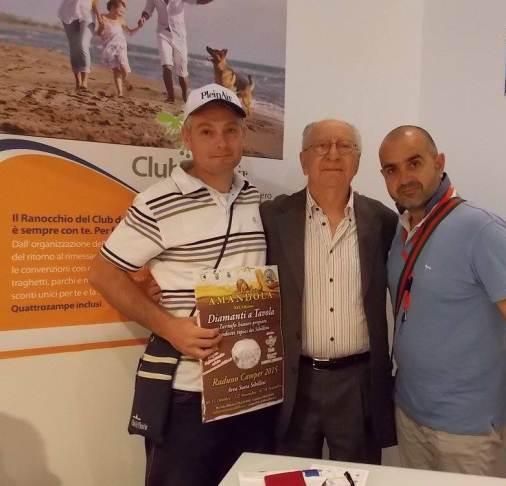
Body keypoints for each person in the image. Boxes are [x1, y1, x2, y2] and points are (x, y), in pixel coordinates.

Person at [88, 83, 273, 486]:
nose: (221, 142)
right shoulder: (157, 202)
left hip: (252, 389)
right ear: (187, 137)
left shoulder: (258, 200)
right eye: (206, 131)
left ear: (243, 135)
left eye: (230, 130)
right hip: (189, 393)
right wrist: (168, 326)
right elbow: (102, 272)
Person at [378, 126, 506, 482]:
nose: (404, 178)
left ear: (439, 163)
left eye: (414, 163)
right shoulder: (401, 232)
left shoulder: (482, 229)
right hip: (410, 414)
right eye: (392, 170)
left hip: (471, 429)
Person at [260, 119, 398, 464]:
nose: (333, 154)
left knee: (358, 476)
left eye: (345, 146)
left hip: (359, 383)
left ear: (358, 161)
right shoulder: (271, 217)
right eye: (321, 145)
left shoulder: (383, 221)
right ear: (303, 160)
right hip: (294, 381)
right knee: (289, 475)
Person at [139, 0, 213, 103]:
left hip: (179, 36)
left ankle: (185, 96)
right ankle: (171, 97)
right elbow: (148, 9)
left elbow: (199, 1)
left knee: (182, 71)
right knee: (166, 65)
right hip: (163, 33)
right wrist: (143, 18)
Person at [98, 0, 142, 97]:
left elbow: (130, 33)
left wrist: (139, 27)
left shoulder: (121, 20)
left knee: (123, 66)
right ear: (113, 8)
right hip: (109, 47)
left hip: (121, 46)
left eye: (123, 11)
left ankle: (125, 80)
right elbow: (99, 33)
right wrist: (101, 27)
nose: (122, 13)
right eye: (120, 11)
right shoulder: (103, 17)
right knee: (116, 70)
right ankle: (120, 93)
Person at [58, 0, 102, 91]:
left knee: (83, 44)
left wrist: (98, 15)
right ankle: (78, 82)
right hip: (68, 12)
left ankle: (84, 81)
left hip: (87, 14)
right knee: (74, 48)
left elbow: (95, 2)